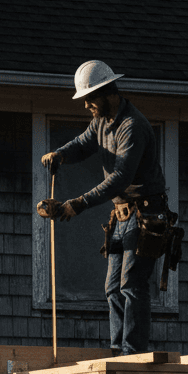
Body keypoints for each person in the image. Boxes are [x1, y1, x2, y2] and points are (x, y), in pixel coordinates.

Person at [38, 61, 170, 356]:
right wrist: (61, 154)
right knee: (113, 287)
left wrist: (78, 203)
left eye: (90, 98)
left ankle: (131, 352)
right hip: (123, 216)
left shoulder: (132, 126)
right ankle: (117, 349)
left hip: (146, 214)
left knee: (131, 284)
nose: (86, 105)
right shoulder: (101, 122)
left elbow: (119, 179)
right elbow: (84, 143)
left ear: (109, 93)